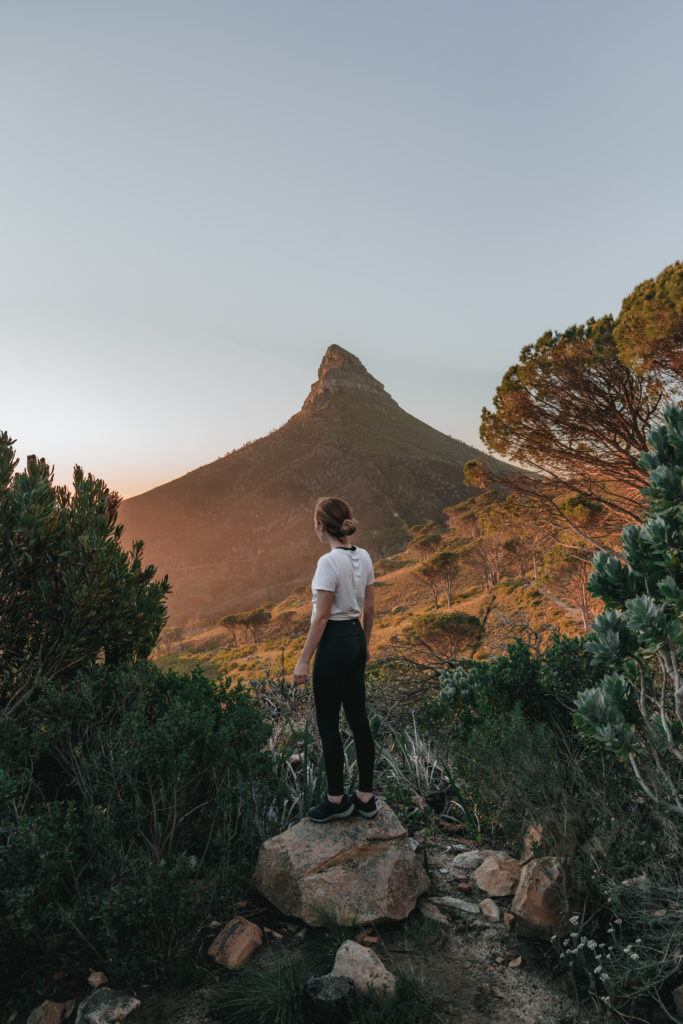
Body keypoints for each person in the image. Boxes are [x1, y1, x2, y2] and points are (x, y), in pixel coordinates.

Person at [293, 496, 377, 822]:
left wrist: (303, 661)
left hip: (334, 643)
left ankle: (336, 800)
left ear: (319, 525)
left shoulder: (328, 563)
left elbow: (322, 616)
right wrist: (365, 644)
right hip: (355, 637)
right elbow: (369, 608)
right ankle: (366, 798)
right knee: (358, 717)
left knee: (328, 723)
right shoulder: (365, 556)